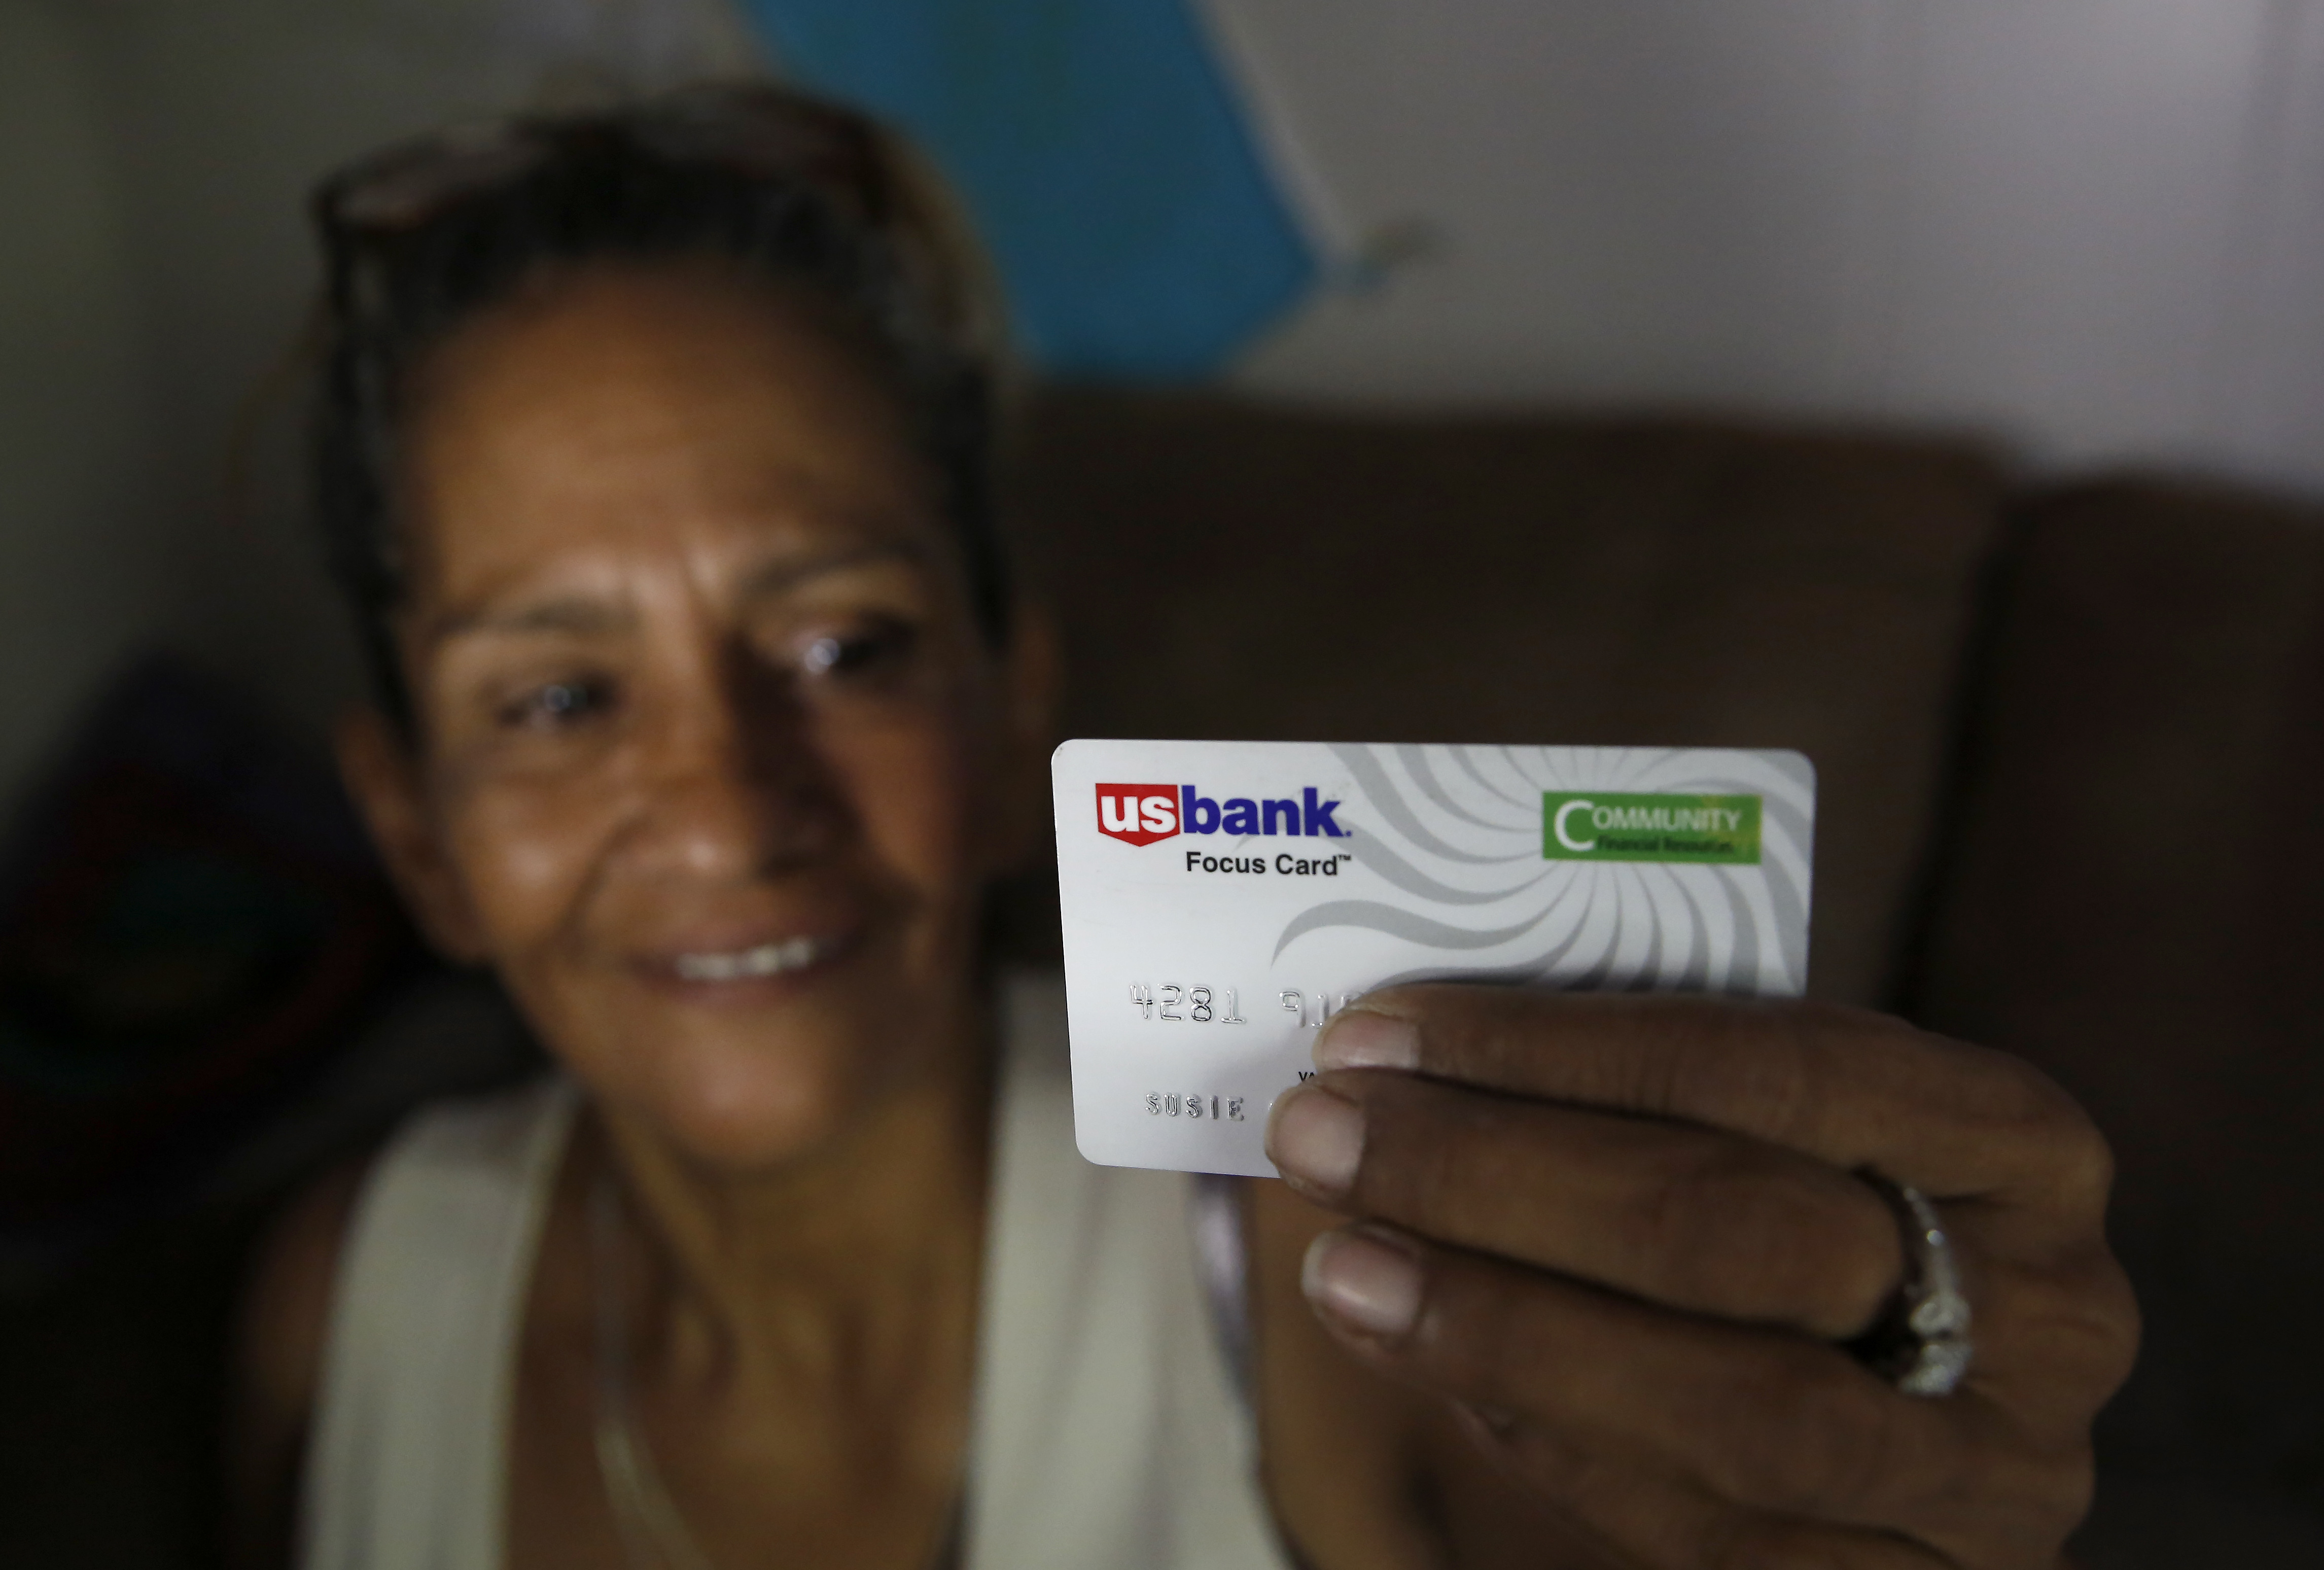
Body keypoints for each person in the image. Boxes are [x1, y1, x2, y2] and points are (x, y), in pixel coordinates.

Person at [229, 83, 2137, 1570]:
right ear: (418, 838)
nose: (733, 808)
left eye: (844, 645)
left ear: (1008, 716)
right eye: (558, 698)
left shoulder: (1330, 1262)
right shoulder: (352, 1296)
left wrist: (1889, 1448)